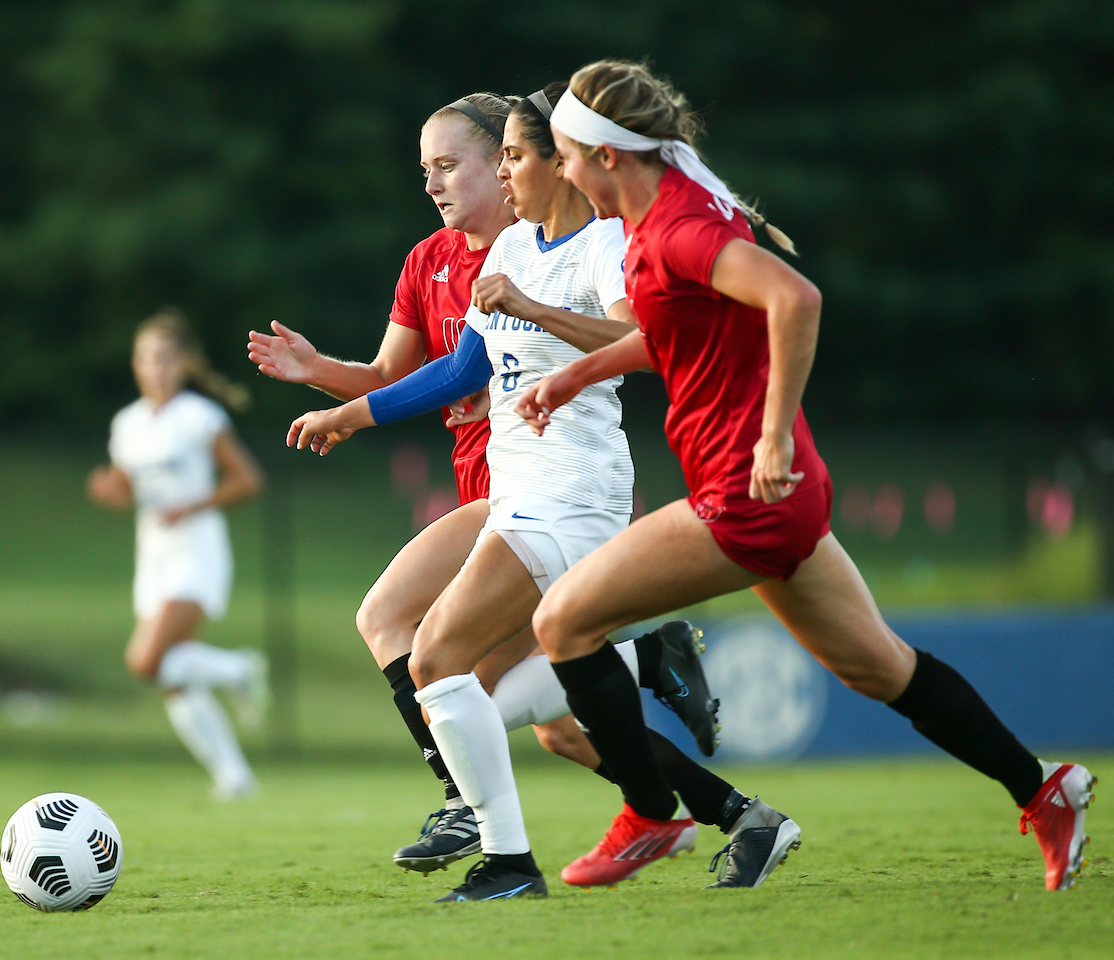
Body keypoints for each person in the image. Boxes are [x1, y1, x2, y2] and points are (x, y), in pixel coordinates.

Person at [513, 59, 1097, 892]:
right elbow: (686, 334)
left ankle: (651, 812)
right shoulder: (668, 217)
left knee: (562, 623)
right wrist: (576, 375)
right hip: (782, 495)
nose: (563, 171)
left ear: (609, 156)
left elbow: (796, 298)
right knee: (880, 669)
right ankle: (1042, 788)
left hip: (743, 496)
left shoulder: (677, 226)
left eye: (566, 155)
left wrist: (773, 436)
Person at [287, 84, 795, 901]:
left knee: (437, 657)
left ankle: (500, 847)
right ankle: (710, 779)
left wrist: (530, 313)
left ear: (550, 163)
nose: (440, 183)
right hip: (518, 493)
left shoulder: (602, 247)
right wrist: (353, 411)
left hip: (566, 492)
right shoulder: (509, 250)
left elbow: (650, 343)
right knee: (543, 714)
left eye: (509, 158)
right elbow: (461, 370)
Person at [88, 309, 267, 799]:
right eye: (147, 358)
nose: (156, 367)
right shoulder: (126, 423)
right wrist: (109, 491)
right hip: (153, 557)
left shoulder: (199, 417)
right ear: (135, 364)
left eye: (167, 357)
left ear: (185, 363)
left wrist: (193, 504)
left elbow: (248, 479)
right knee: (172, 675)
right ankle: (234, 777)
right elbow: (127, 492)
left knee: (146, 660)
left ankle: (239, 669)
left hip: (197, 551)